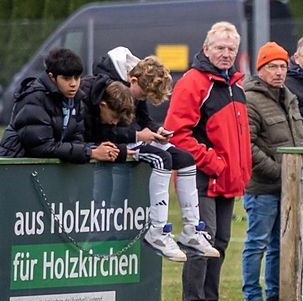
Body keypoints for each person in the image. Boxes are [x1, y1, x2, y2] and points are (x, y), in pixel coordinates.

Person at [81, 49, 220, 262]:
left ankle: (191, 230)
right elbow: (103, 129)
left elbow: (144, 119)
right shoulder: (106, 88)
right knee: (161, 159)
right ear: (132, 79)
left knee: (186, 159)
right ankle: (157, 230)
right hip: (116, 144)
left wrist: (157, 131)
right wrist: (137, 134)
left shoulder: (135, 85)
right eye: (143, 95)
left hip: (134, 138)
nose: (142, 99)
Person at [165, 21, 252, 301]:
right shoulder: (193, 82)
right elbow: (177, 134)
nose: (226, 54)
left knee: (221, 241)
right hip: (200, 176)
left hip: (226, 178)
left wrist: (239, 168)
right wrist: (211, 161)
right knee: (201, 239)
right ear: (206, 49)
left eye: (231, 49)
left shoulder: (234, 85)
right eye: (220, 48)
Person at [241, 42, 303, 301]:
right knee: (256, 243)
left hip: (288, 187)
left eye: (282, 66)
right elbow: (249, 145)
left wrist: (301, 170)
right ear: (261, 69)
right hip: (262, 187)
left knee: (278, 246)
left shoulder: (289, 97)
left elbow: (299, 137)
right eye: (272, 66)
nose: (279, 72)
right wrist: (281, 172)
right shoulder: (250, 99)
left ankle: (274, 300)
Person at [0, 48, 118, 163]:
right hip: (14, 168)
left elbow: (77, 142)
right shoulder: (34, 98)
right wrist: (91, 153)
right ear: (52, 77)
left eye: (77, 78)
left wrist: (107, 150)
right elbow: (41, 147)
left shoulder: (76, 100)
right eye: (66, 78)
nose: (73, 84)